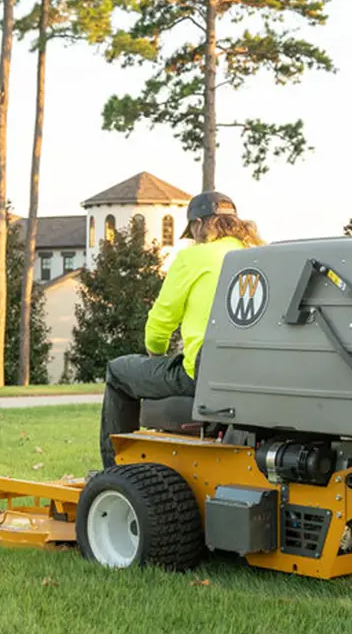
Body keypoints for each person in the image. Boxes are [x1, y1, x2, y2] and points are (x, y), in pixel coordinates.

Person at [98, 191, 264, 468]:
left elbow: (160, 324)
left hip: (204, 372)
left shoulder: (193, 258)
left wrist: (157, 352)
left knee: (119, 372)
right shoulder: (259, 255)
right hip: (253, 373)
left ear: (199, 225)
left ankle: (115, 472)